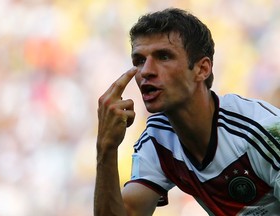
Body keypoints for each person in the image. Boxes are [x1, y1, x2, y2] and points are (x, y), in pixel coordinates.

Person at [94, 8, 280, 215]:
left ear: (202, 69)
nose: (146, 71)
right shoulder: (157, 140)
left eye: (163, 56)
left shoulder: (262, 131)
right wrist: (106, 148)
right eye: (139, 61)